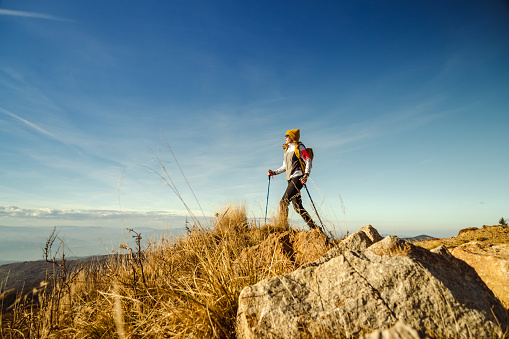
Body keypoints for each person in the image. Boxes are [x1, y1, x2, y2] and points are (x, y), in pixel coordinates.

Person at [268, 129, 318, 230]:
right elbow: (284, 167)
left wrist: (306, 175)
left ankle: (283, 227)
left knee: (283, 202)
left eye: (287, 135)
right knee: (298, 207)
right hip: (290, 180)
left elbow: (307, 160)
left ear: (292, 137)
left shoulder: (299, 147)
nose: (285, 137)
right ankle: (314, 228)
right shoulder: (287, 150)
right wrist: (274, 172)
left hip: (297, 178)